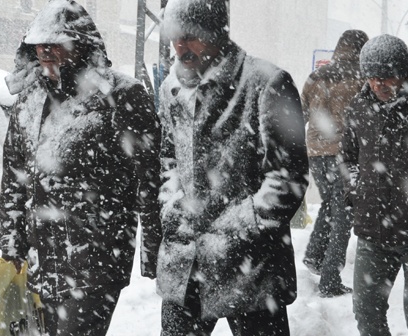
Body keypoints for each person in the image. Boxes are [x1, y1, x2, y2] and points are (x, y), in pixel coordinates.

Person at [0, 1, 162, 335]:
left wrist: (153, 250)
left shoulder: (121, 96)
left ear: (80, 43)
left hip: (96, 260)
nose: (45, 50)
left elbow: (150, 176)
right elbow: (14, 173)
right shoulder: (29, 99)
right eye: (39, 43)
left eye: (56, 42)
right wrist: (13, 240)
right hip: (42, 258)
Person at [155, 0, 308, 335]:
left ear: (215, 31)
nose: (180, 45)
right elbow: (168, 158)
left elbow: (288, 178)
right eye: (174, 35)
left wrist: (237, 227)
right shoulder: (171, 89)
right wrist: (171, 204)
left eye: (190, 35)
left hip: (251, 268)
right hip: (186, 266)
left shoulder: (267, 83)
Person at [341, 34, 408, 336]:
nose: (379, 84)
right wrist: (354, 189)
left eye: (387, 77)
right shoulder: (359, 108)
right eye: (372, 77)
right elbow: (347, 157)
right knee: (367, 314)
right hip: (374, 230)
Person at [301, 29, 369, 298]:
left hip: (316, 151)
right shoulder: (363, 78)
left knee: (331, 204)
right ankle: (330, 280)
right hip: (345, 154)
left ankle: (315, 255)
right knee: (344, 215)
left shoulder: (317, 76)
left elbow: (301, 112)